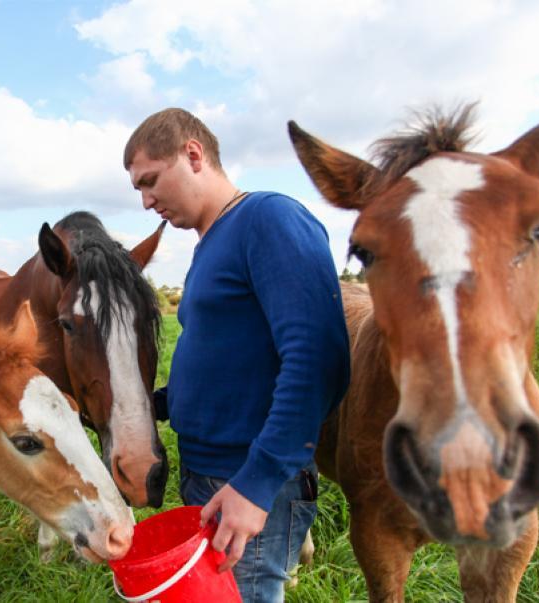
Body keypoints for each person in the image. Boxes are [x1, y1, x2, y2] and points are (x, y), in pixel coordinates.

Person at [124, 108, 350, 602]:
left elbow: (318, 359)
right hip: (211, 474)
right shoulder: (210, 243)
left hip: (245, 478)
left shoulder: (268, 219)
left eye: (150, 180)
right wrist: (151, 407)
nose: (145, 202)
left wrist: (257, 483)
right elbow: (231, 361)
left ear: (193, 154)